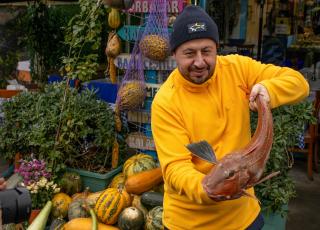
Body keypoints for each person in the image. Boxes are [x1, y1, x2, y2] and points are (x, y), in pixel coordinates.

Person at [151, 5, 309, 230]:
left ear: (217, 49)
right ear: (174, 54)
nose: (199, 62)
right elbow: (175, 168)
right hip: (190, 223)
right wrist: (211, 190)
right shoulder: (166, 101)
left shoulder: (237, 68)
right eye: (189, 53)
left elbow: (298, 83)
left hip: (244, 217)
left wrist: (268, 91)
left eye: (206, 51)